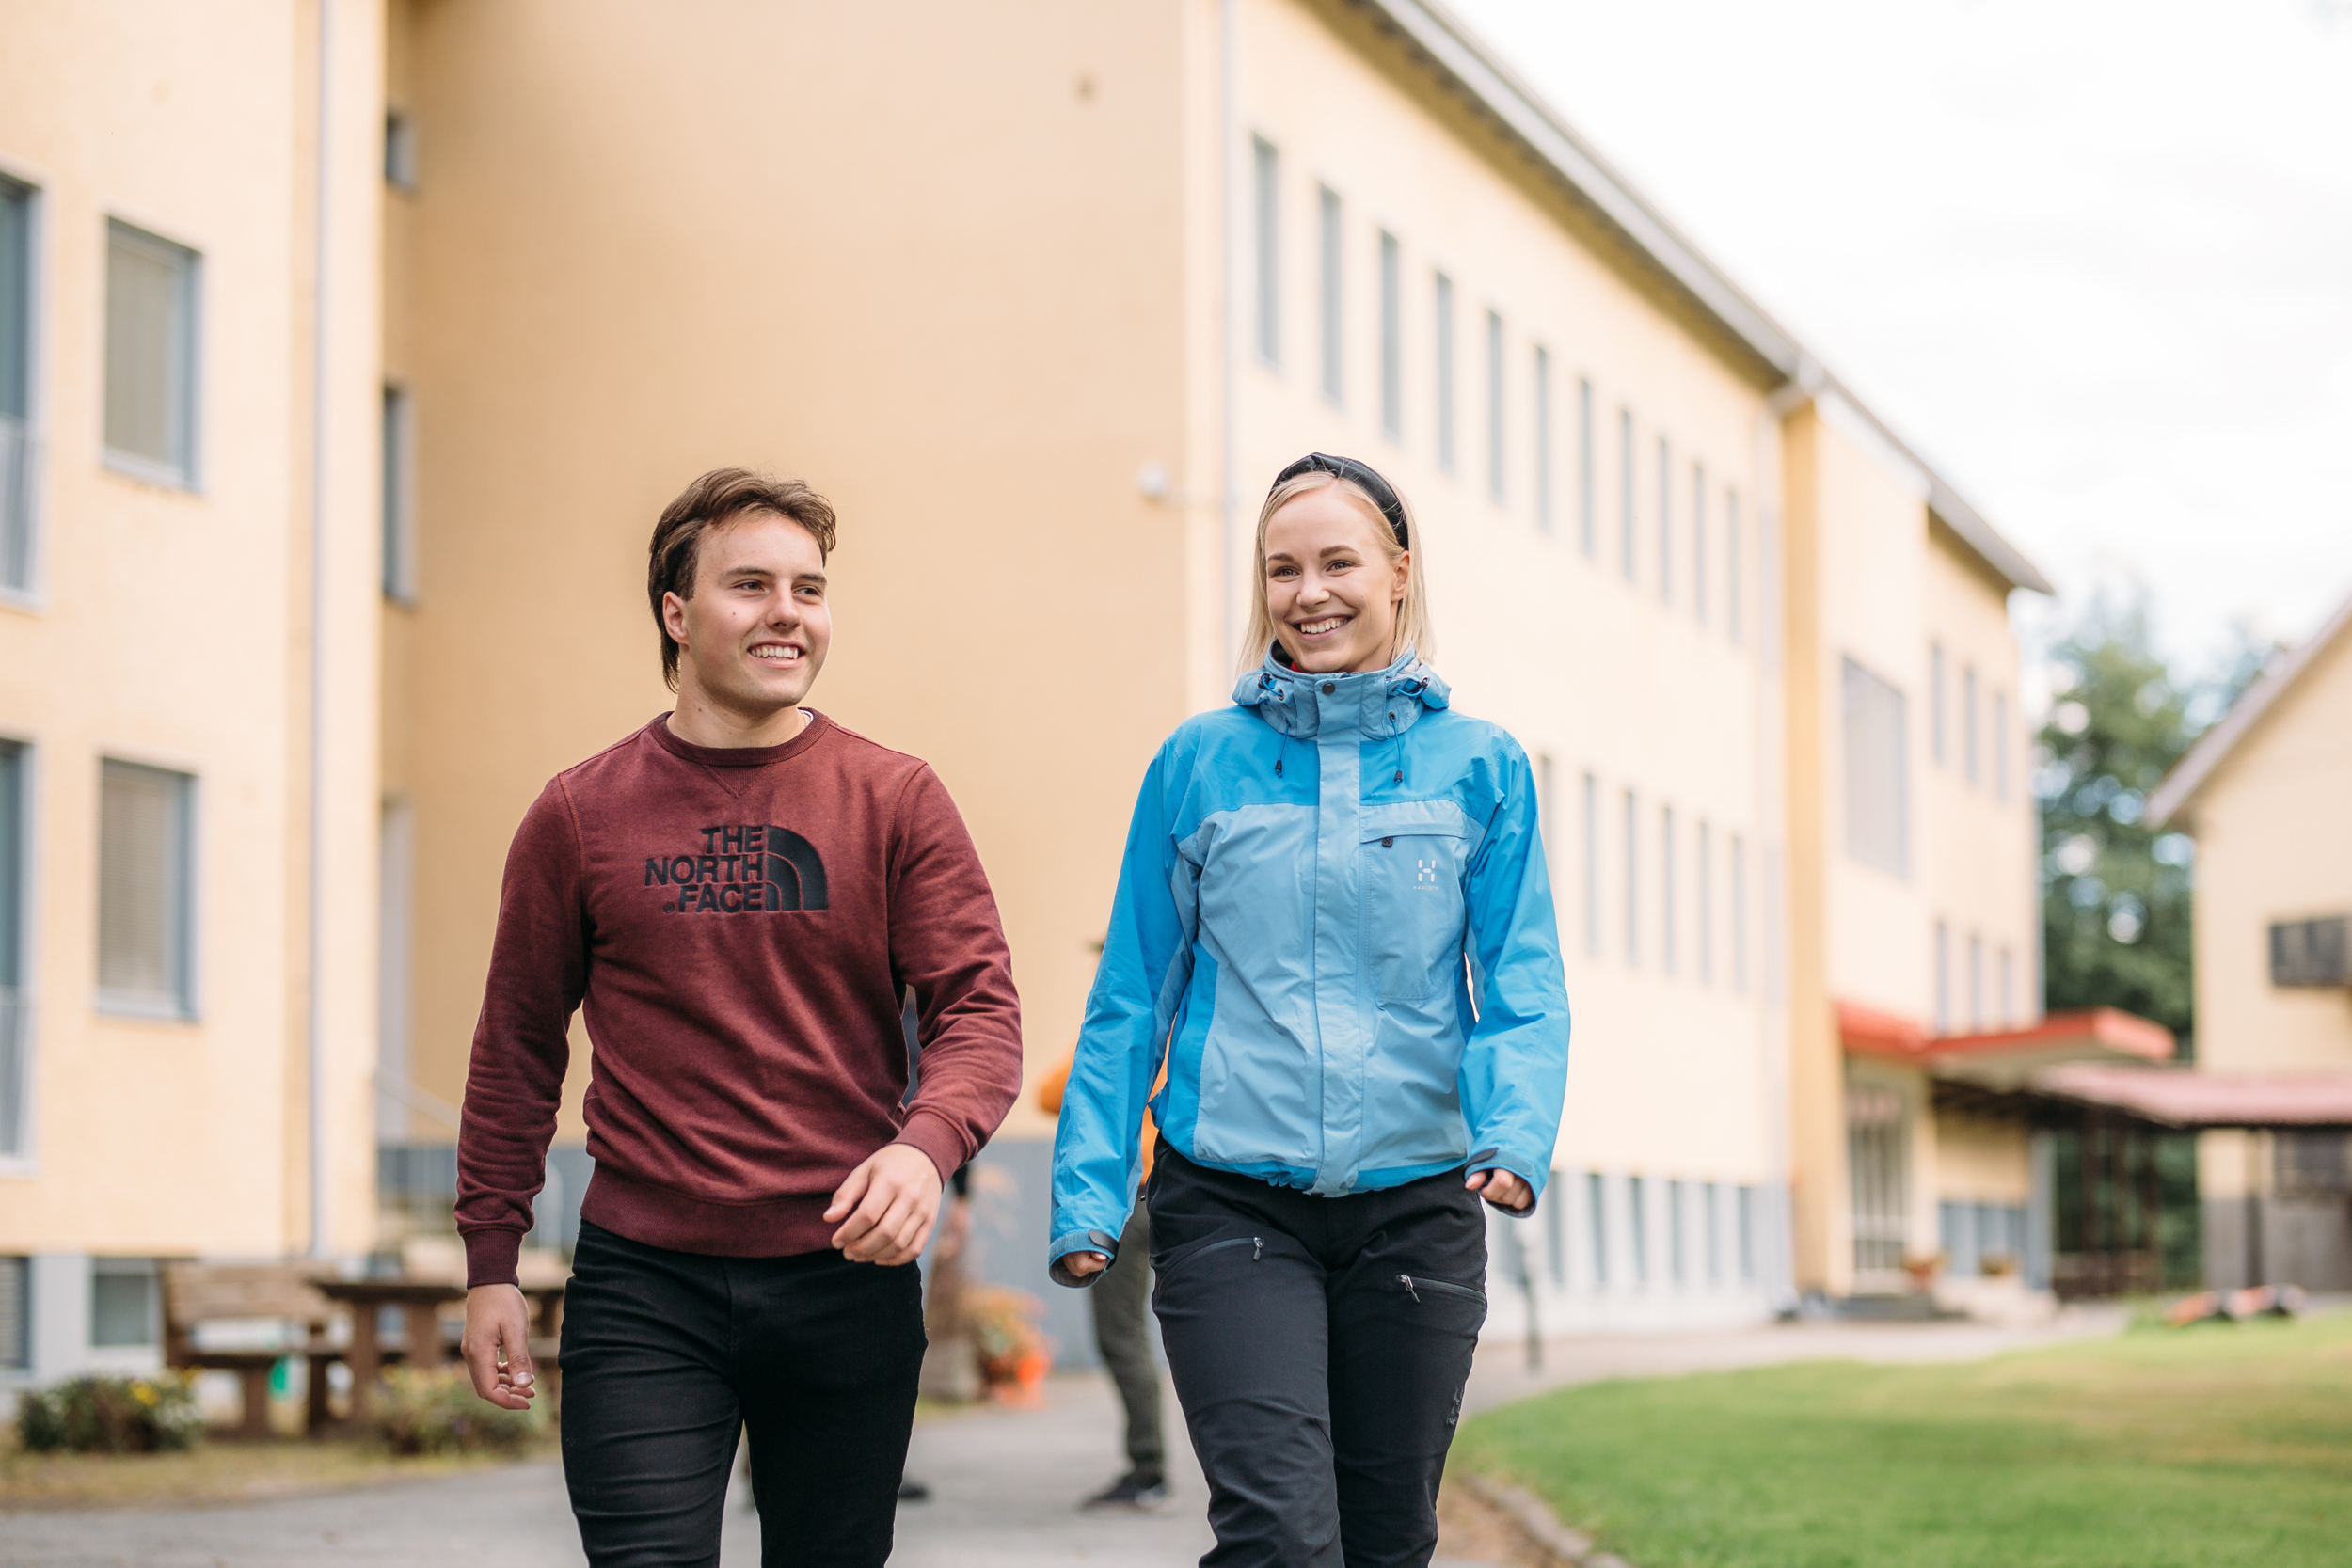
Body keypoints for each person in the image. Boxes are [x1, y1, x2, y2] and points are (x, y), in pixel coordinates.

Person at [455, 468, 1024, 1568]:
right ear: (676, 612)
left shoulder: (894, 797)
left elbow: (980, 1008)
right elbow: (517, 1044)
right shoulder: (579, 813)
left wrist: (926, 1146)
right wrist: (491, 1259)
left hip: (843, 1275)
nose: (787, 613)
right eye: (751, 584)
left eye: (808, 589)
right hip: (643, 1280)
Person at [1047, 453, 1570, 1568]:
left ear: (1397, 571)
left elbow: (1518, 982)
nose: (1308, 591)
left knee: (1386, 1540)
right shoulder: (1200, 762)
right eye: (1281, 568)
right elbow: (1132, 992)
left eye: (1337, 561)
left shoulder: (1480, 767)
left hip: (1419, 1203)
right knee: (1280, 1536)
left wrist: (1513, 1132)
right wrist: (1088, 1194)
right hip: (1232, 1201)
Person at [1036, 1051, 1169, 1513]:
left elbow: (1050, 1094)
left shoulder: (1122, 1037)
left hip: (1130, 1198)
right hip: (1183, 1192)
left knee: (1122, 1335)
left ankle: (1148, 1470)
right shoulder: (1194, 1026)